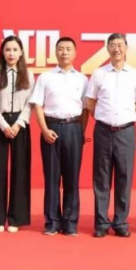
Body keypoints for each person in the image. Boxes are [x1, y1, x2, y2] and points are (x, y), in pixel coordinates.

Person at [85, 33, 136, 238]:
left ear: (126, 48)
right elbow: (90, 103)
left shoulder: (135, 75)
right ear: (107, 49)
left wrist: (125, 120)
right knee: (101, 178)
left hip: (126, 131)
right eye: (112, 45)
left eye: (120, 45)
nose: (116, 49)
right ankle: (101, 223)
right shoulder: (99, 74)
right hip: (103, 130)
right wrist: (104, 118)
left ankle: (121, 222)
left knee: (124, 177)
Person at [29, 37, 89, 236]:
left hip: (74, 128)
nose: (64, 52)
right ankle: (52, 222)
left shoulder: (82, 79)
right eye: (61, 49)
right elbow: (37, 105)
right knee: (52, 178)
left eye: (68, 49)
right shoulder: (45, 77)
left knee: (72, 178)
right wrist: (44, 130)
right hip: (51, 127)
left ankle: (70, 222)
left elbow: (86, 109)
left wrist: (81, 132)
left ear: (75, 53)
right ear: (55, 52)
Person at [0, 35, 35, 233]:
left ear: (21, 52)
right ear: (2, 53)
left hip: (21, 124)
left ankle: (16, 219)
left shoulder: (28, 75)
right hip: (0, 124)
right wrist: (4, 125)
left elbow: (30, 103)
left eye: (14, 49)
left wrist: (19, 124)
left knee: (20, 170)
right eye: (7, 50)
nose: (11, 53)